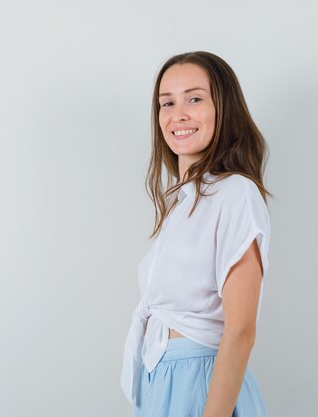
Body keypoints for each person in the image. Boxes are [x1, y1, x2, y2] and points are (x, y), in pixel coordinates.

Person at [120, 51, 273, 417]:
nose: (178, 114)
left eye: (194, 98)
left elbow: (240, 331)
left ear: (224, 108)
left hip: (198, 381)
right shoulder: (181, 202)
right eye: (167, 103)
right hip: (162, 380)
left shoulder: (235, 193)